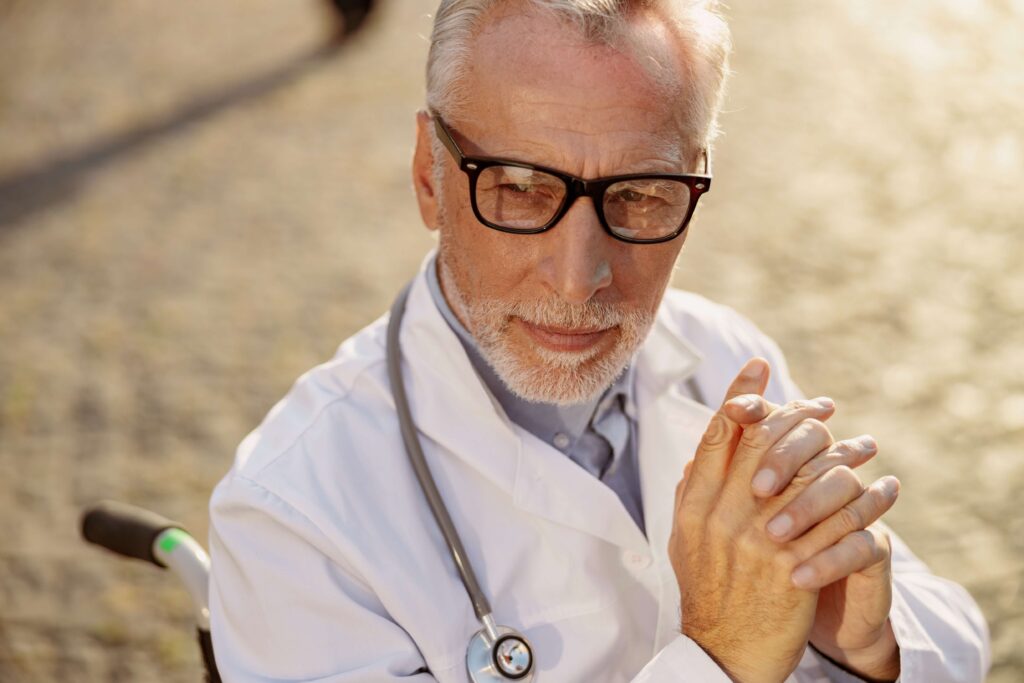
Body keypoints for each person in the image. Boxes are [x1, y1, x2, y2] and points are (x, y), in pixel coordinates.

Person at [208, 1, 990, 681]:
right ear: (427, 176)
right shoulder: (294, 516)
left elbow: (958, 645)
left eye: (642, 195)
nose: (579, 278)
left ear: (697, 180)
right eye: (519, 187)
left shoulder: (722, 356)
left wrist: (869, 646)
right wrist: (723, 660)